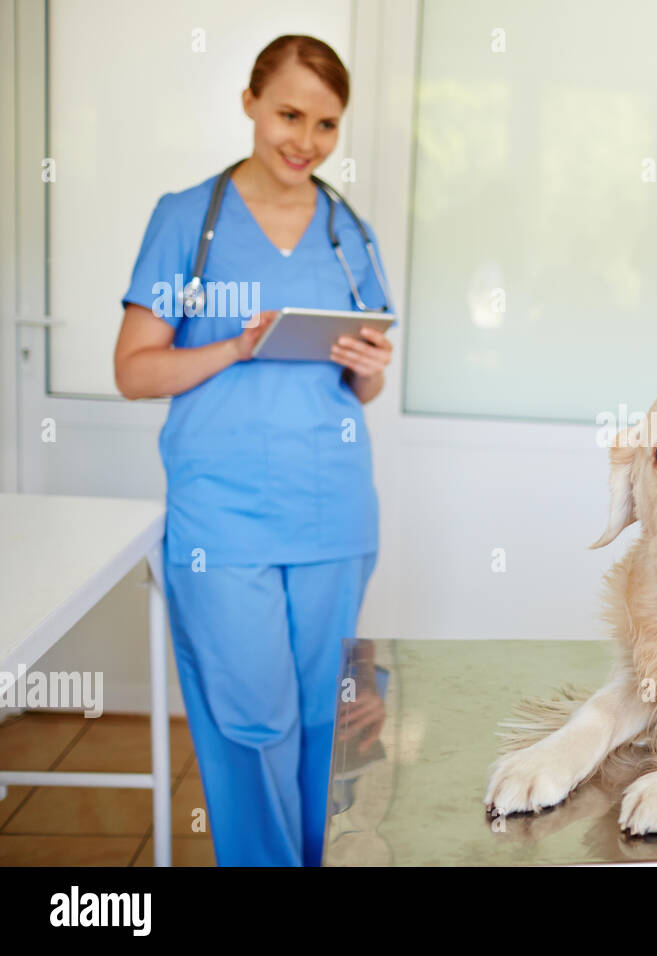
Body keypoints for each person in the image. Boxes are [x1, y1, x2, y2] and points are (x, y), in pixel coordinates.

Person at [113, 34, 392, 867]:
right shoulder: (186, 221)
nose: (305, 141)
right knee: (249, 719)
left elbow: (362, 388)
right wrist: (235, 347)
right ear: (249, 103)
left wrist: (370, 370)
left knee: (321, 722)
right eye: (289, 114)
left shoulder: (349, 233)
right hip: (223, 515)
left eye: (327, 124)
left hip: (332, 511)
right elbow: (133, 370)